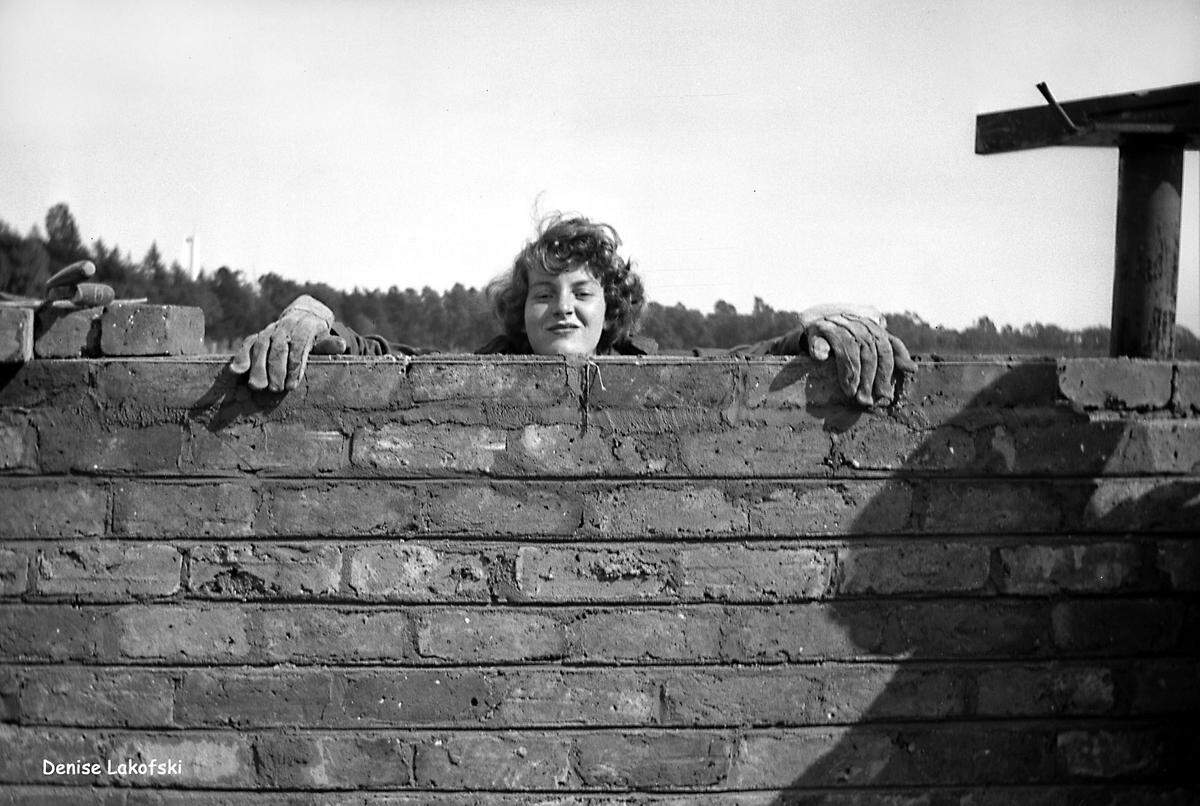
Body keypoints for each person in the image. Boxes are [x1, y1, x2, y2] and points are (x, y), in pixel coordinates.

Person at [229, 215, 915, 406]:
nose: (562, 309)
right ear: (518, 311)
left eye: (582, 294)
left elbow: (740, 367)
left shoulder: (644, 369)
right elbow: (393, 362)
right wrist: (315, 317)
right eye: (544, 295)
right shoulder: (485, 367)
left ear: (608, 309)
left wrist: (814, 329)